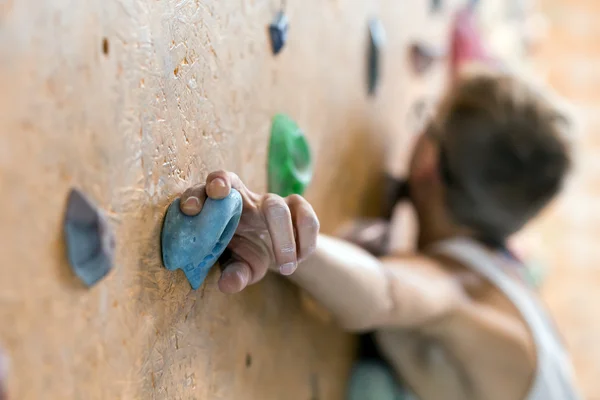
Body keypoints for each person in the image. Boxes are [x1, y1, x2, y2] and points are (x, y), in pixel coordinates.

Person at [177, 71, 580, 400]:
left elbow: (386, 292)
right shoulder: (509, 283)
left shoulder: (465, 288)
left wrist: (288, 240)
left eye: (429, 121)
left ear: (429, 163)